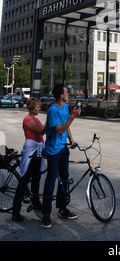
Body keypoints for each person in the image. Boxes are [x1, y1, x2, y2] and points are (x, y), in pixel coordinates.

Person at [41, 84, 81, 229]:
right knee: (51, 180)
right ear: (60, 95)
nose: (68, 94)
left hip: (63, 148)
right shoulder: (53, 110)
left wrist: (72, 140)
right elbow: (59, 130)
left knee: (64, 179)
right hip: (53, 150)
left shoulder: (64, 107)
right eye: (66, 92)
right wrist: (73, 117)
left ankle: (62, 209)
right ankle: (46, 214)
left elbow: (66, 126)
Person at [12, 97, 46, 222]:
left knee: (36, 178)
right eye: (38, 107)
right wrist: (51, 118)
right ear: (32, 108)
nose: (39, 108)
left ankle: (36, 201)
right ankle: (15, 211)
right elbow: (41, 131)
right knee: (25, 180)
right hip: (31, 151)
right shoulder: (28, 119)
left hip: (38, 151)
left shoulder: (36, 119)